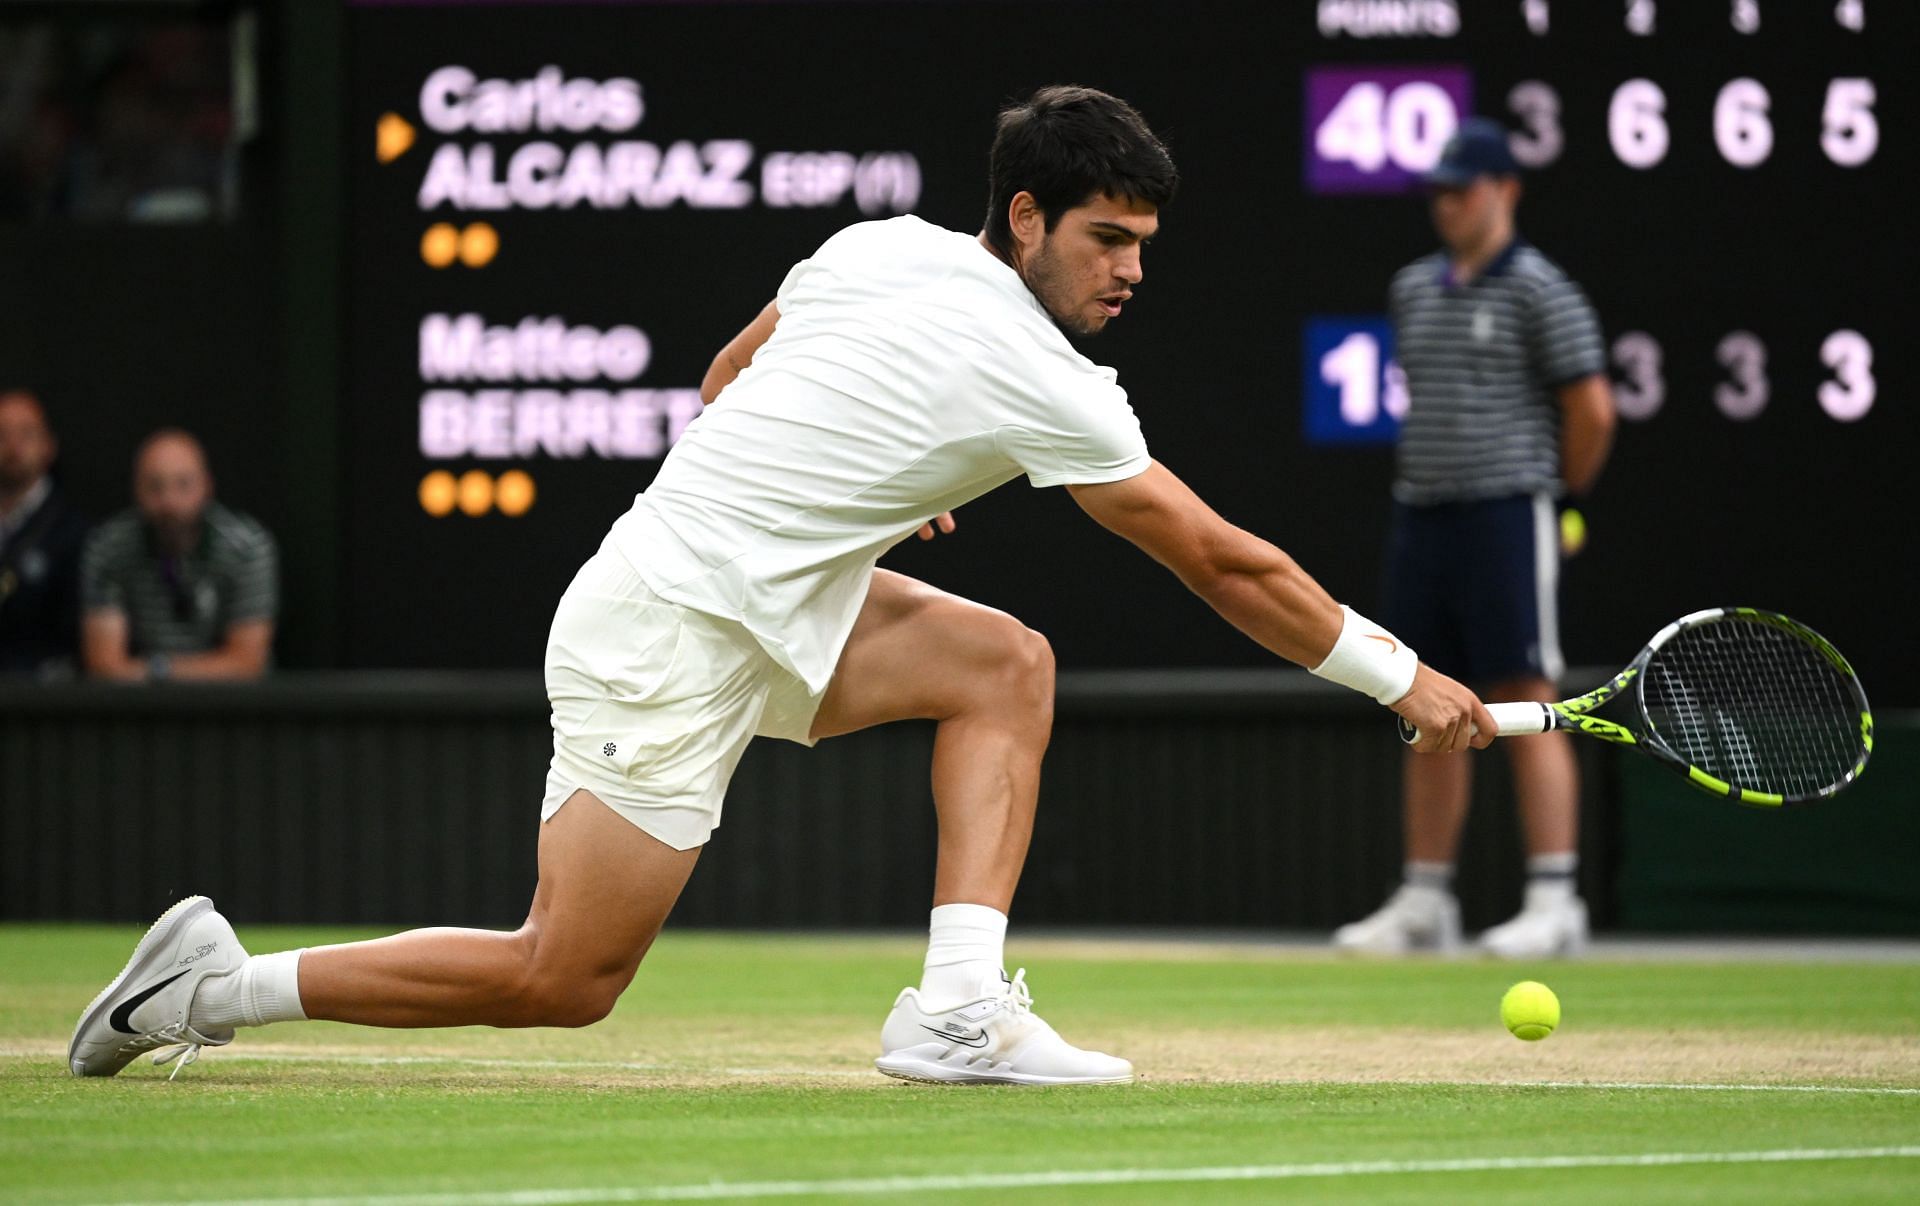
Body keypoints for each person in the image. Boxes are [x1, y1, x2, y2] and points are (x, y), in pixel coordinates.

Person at [69, 86, 1493, 1086]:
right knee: (561, 977)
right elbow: (1220, 557)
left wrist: (863, 488)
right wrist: (1401, 677)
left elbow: (724, 380)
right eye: (1106, 240)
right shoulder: (1041, 371)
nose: (1130, 272)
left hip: (768, 601)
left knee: (1008, 664)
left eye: (1144, 247)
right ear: (1025, 216)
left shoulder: (877, 246)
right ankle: (210, 985)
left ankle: (954, 1012)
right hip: (666, 628)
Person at [1332, 118, 1616, 960]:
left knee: (1528, 686)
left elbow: (1592, 410)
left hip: (1507, 511)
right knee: (1417, 692)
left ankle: (1555, 899)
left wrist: (1554, 494)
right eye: (1441, 192)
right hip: (1423, 512)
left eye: (1465, 189)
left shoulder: (1543, 290)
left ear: (1506, 191)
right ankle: (1425, 902)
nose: (1449, 206)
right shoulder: (1413, 288)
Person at [78, 428, 277, 682]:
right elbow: (105, 665)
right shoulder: (108, 546)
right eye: (154, 486)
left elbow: (247, 663)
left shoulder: (247, 548)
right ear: (135, 489)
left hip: (233, 707)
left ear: (207, 485)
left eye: (183, 484)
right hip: (139, 707)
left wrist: (157, 670)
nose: (168, 501)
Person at [0, 389, 89, 677]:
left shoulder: (73, 533)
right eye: (2, 434)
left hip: (39, 702)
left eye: (26, 434)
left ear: (49, 446)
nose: (13, 447)